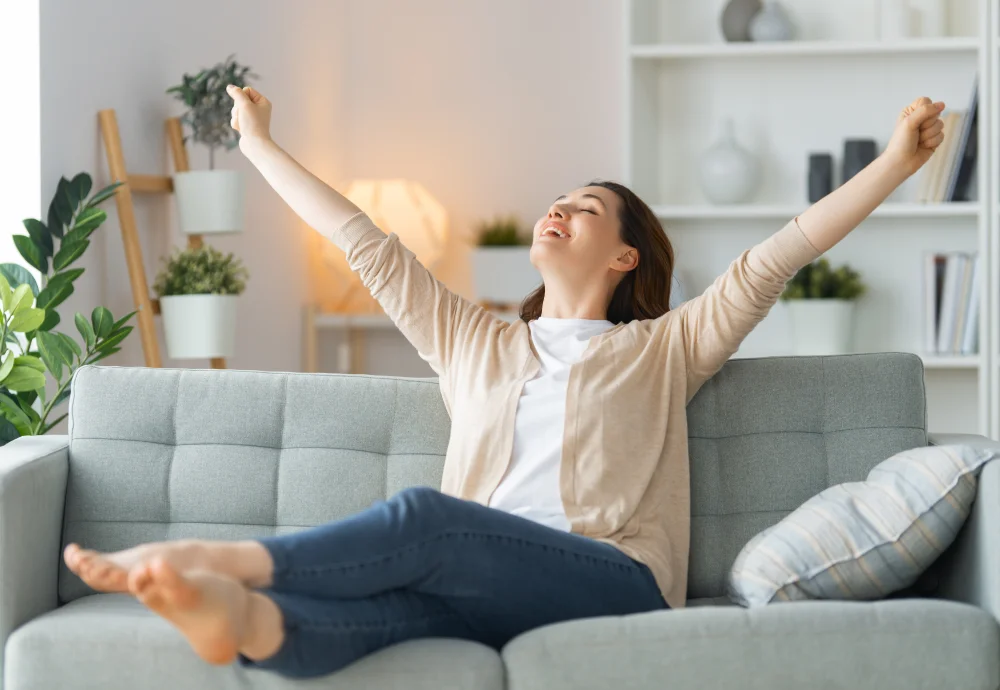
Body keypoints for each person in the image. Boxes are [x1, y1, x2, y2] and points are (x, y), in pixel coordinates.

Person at [63, 84, 946, 679]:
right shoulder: (472, 339)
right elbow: (366, 242)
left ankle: (219, 557)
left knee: (427, 519)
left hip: (612, 581)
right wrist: (256, 143)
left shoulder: (664, 348)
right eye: (557, 200)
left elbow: (774, 259)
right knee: (374, 616)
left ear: (625, 255)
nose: (558, 209)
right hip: (479, 581)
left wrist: (897, 165)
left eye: (587, 208)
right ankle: (234, 619)